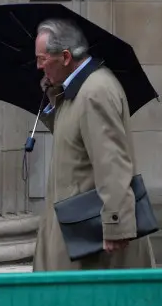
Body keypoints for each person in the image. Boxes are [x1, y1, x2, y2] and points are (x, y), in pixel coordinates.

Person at [31, 17, 155, 272]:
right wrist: (53, 96)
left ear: (65, 57)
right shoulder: (74, 92)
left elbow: (112, 162)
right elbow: (74, 143)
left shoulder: (94, 92)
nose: (38, 67)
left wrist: (116, 225)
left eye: (42, 60)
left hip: (91, 239)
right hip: (77, 231)